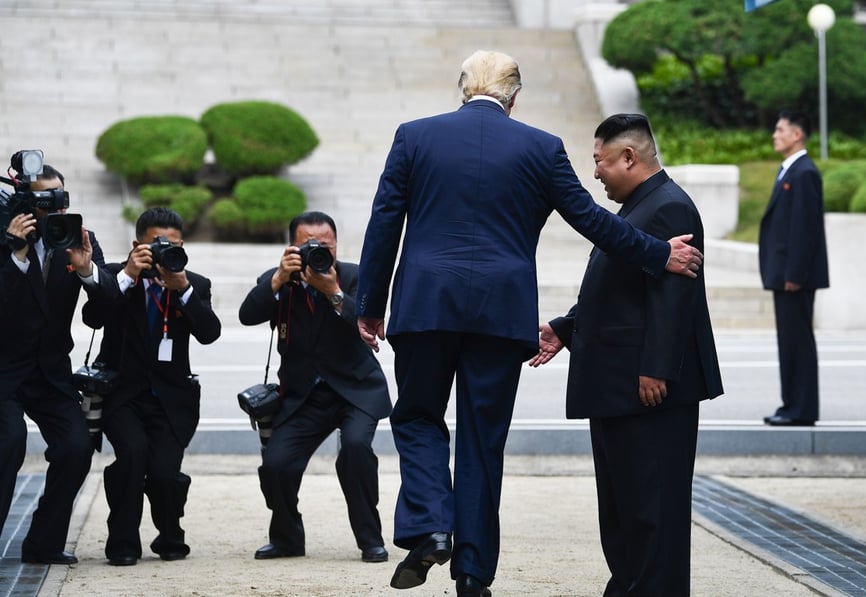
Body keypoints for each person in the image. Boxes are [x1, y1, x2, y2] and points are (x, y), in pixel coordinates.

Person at [355, 50, 704, 596]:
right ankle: (472, 574)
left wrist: (370, 303)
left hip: (426, 306)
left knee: (419, 417)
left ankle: (427, 526)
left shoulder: (414, 136)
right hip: (500, 315)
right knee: (482, 440)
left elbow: (384, 222)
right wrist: (658, 254)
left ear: (463, 89)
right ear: (514, 98)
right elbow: (591, 220)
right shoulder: (541, 148)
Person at [530, 114, 724, 596]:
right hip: (620, 385)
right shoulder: (641, 206)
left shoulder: (669, 207)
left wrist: (656, 368)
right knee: (623, 504)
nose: (595, 172)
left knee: (652, 507)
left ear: (628, 157)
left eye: (599, 161)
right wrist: (564, 327)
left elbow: (673, 296)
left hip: (648, 388)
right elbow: (618, 287)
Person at [238, 211, 391, 565]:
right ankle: (287, 538)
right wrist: (278, 278)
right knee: (276, 465)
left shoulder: (355, 276)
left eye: (325, 245)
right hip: (303, 395)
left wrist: (333, 292)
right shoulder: (280, 279)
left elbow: (368, 324)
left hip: (355, 390)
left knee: (355, 451)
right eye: (308, 245)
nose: (317, 251)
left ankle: (371, 540)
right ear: (292, 246)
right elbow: (247, 315)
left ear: (336, 245)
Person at [80, 207, 221, 566]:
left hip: (173, 400)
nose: (161, 252)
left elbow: (209, 333)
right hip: (122, 395)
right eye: (154, 244)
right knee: (131, 456)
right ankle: (123, 543)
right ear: (136, 245)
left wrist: (184, 289)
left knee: (163, 471)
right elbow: (92, 317)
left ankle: (170, 535)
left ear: (182, 245)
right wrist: (128, 274)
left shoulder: (195, 283)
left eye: (170, 245)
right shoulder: (115, 277)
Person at [0, 162, 118, 565]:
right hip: (3, 370)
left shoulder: (79, 239)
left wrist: (88, 271)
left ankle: (43, 544)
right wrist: (15, 254)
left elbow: (105, 313)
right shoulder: (4, 240)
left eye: (59, 200)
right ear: (23, 203)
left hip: (51, 372)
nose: (52, 211)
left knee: (75, 446)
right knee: (8, 442)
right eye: (42, 201)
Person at [759, 110, 829, 426]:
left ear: (797, 134)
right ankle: (791, 406)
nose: (775, 135)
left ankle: (800, 410)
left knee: (797, 342)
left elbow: (805, 228)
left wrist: (794, 275)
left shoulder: (804, 173)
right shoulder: (790, 171)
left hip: (793, 277)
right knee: (789, 342)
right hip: (785, 274)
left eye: (780, 129)